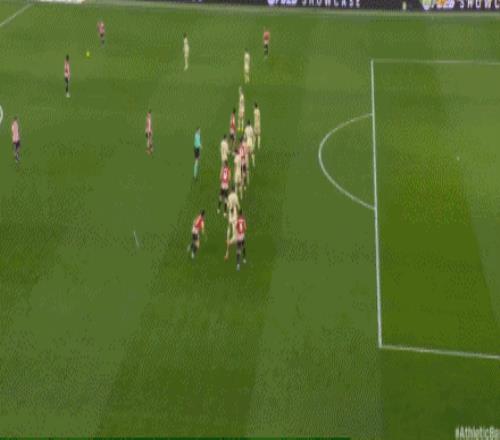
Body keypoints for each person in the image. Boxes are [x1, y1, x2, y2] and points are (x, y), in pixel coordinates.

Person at [224, 185, 240, 260]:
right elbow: (237, 204)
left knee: (230, 230)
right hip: (234, 215)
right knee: (234, 236)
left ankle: (227, 251)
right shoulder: (235, 196)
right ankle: (229, 245)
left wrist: (226, 212)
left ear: (231, 190)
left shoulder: (229, 196)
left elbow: (227, 205)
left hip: (231, 215)